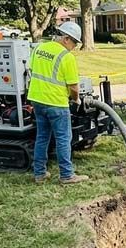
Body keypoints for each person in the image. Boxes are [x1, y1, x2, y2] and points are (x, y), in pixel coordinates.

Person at [27, 22, 87, 184]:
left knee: (42, 137)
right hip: (56, 103)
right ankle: (67, 175)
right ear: (66, 39)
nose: (74, 47)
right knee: (63, 139)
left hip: (37, 100)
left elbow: (31, 71)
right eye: (74, 42)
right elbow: (73, 86)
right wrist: (76, 99)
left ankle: (39, 174)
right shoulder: (66, 57)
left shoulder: (38, 49)